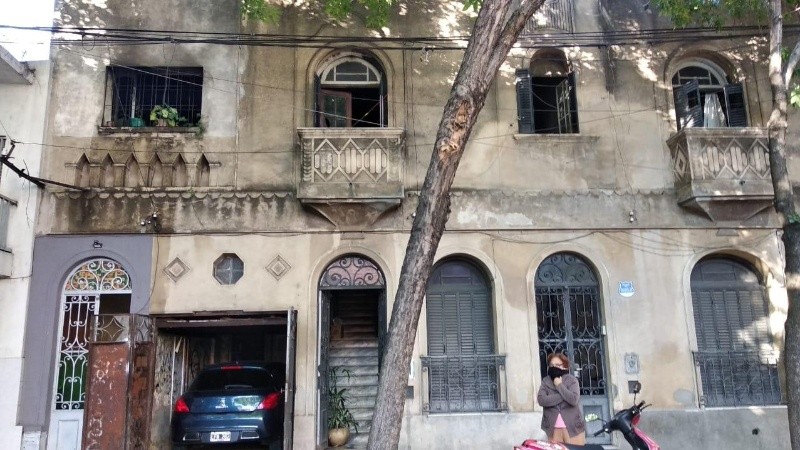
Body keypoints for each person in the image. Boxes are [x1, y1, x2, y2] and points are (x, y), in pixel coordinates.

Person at [536, 352, 586, 445]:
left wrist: (559, 385)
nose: (554, 367)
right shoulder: (546, 381)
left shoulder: (572, 380)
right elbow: (542, 400)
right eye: (551, 365)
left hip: (573, 428)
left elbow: (574, 400)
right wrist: (564, 395)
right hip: (552, 428)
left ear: (565, 366)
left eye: (557, 365)